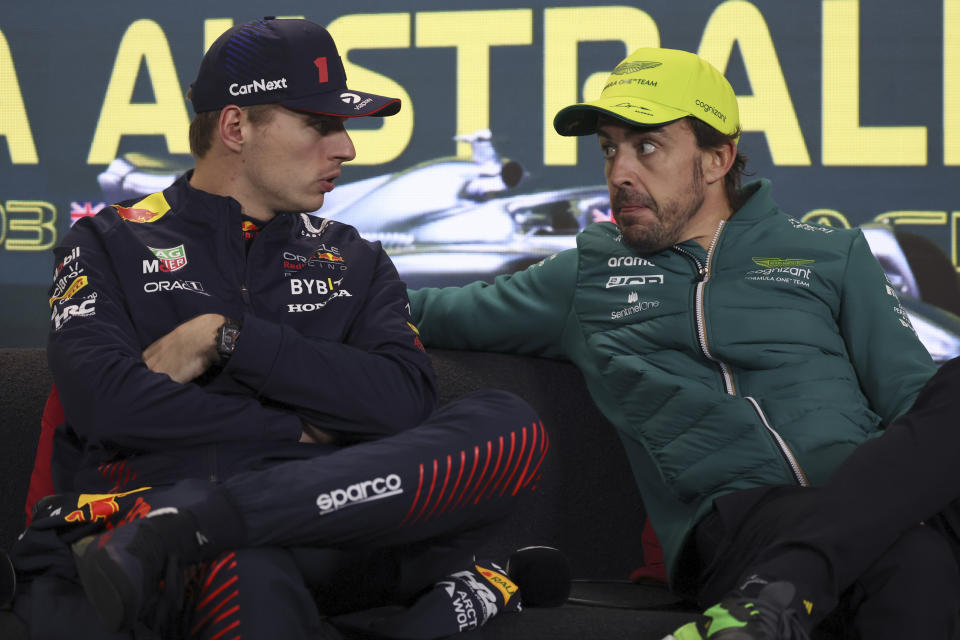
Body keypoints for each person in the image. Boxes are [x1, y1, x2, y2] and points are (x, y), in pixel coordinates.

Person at [11, 17, 548, 640]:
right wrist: (295, 428)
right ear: (236, 127)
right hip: (144, 543)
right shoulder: (107, 240)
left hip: (328, 533)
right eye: (321, 125)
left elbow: (403, 401)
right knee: (241, 566)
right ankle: (200, 528)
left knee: (508, 425)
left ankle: (198, 522)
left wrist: (230, 337)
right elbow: (109, 403)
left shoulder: (357, 258)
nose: (346, 148)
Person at [408, 47, 960, 638]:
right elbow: (422, 312)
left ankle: (778, 599)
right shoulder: (584, 277)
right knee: (913, 559)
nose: (620, 170)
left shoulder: (832, 254)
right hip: (737, 518)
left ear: (717, 158)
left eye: (646, 145)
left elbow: (913, 398)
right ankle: (778, 592)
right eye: (609, 148)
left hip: (876, 495)